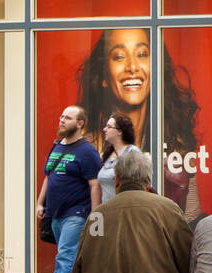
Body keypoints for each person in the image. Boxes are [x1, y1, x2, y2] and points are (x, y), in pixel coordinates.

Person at [76, 27, 201, 219]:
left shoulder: (177, 142)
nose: (132, 66)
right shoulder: (87, 146)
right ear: (103, 77)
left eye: (142, 54)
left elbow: (191, 214)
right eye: (118, 56)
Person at [66, 150, 192, 273]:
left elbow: (80, 266)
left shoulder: (98, 215)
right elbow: (187, 259)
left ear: (117, 180)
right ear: (149, 181)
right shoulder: (168, 209)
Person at [35, 106, 102, 273]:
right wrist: (40, 202)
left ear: (80, 123)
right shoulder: (57, 146)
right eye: (61, 116)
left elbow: (94, 185)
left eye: (68, 117)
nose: (62, 120)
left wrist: (94, 214)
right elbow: (49, 176)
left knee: (65, 254)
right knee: (68, 255)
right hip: (55, 213)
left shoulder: (87, 152)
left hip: (76, 213)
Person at [96, 111, 141, 205]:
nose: (104, 129)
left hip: (125, 210)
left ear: (120, 131)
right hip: (107, 211)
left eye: (109, 127)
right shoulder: (107, 155)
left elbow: (138, 184)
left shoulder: (132, 152)